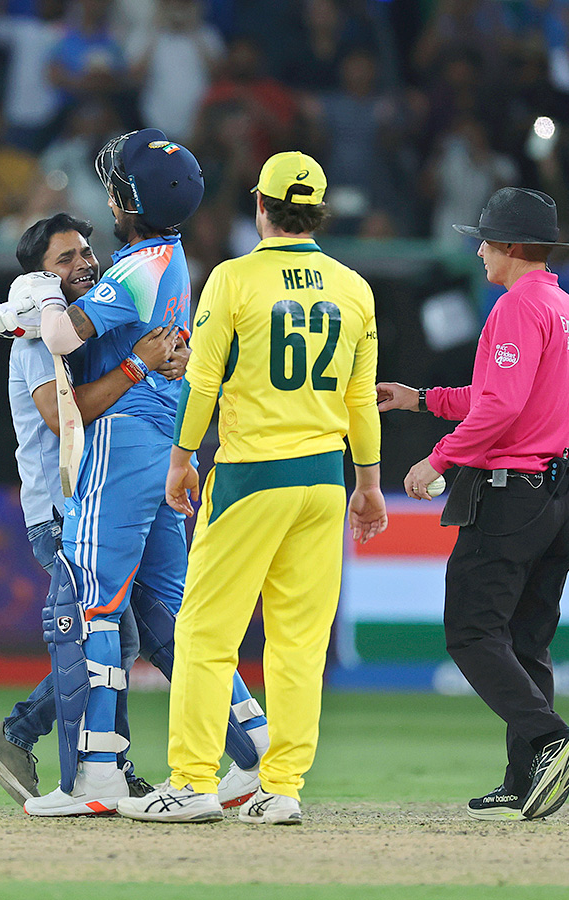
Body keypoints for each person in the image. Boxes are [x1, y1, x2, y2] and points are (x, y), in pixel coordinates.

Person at [116, 151, 387, 825]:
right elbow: (361, 398)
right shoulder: (354, 288)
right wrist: (369, 483)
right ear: (319, 212)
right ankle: (283, 790)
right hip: (324, 482)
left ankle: (193, 782)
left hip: (251, 477)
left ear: (260, 206)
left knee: (206, 634)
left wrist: (182, 457)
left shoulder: (234, 280)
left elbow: (203, 381)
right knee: (299, 645)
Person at [24, 128, 268, 817]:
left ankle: (97, 772)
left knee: (91, 598)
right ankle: (254, 747)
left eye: (113, 185)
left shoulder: (136, 267)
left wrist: (36, 295)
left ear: (127, 200)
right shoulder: (170, 258)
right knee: (177, 612)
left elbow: (65, 335)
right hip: (162, 438)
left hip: (123, 438)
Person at [375, 187, 569, 822]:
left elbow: (500, 407)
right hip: (563, 493)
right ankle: (526, 777)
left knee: (472, 631)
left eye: (487, 240)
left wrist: (437, 457)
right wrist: (421, 398)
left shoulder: (514, 307)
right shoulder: (567, 308)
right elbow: (502, 393)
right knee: (527, 640)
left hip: (513, 494)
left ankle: (551, 740)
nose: (478, 250)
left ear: (511, 247)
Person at [0, 212, 183, 805]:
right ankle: (24, 735)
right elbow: (63, 415)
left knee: (117, 633)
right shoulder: (38, 332)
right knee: (112, 633)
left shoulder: (78, 327)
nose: (85, 264)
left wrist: (160, 358)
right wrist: (139, 366)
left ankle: (102, 766)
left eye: (86, 252)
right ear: (40, 279)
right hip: (60, 510)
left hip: (89, 500)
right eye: (65, 260)